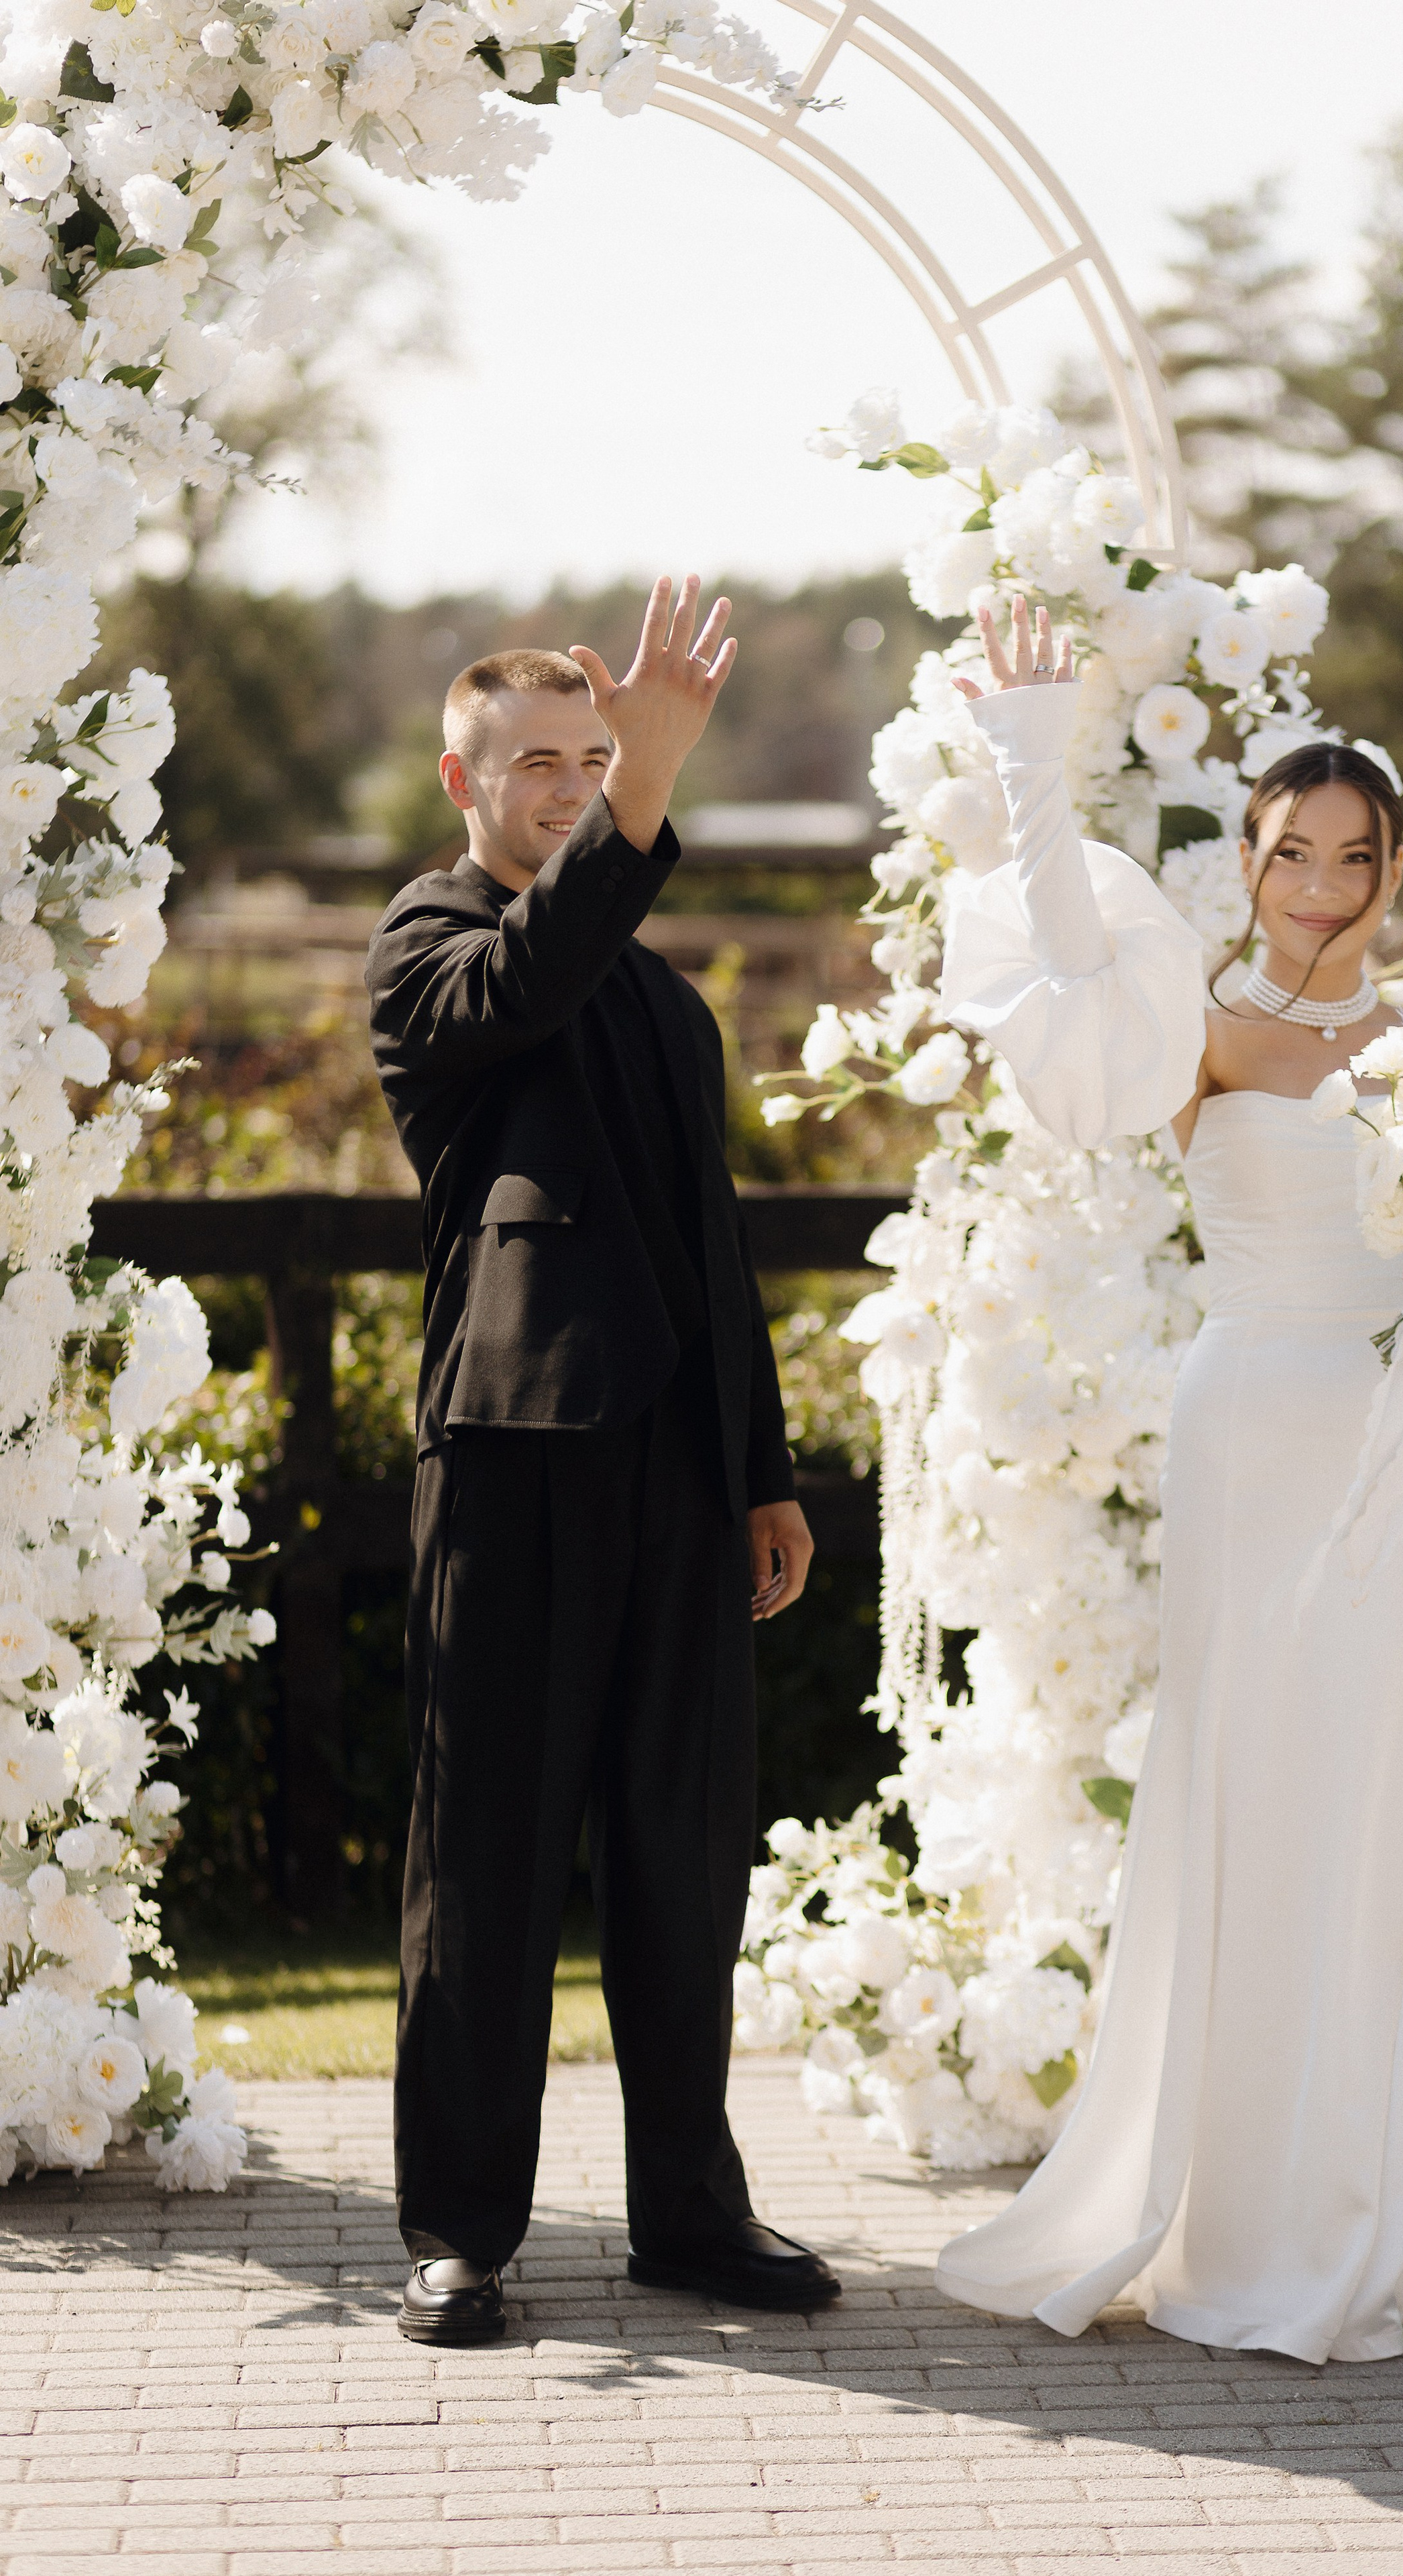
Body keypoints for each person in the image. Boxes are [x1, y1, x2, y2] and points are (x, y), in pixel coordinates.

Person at [930, 598, 1403, 2364]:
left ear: (1393, 867)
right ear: (1247, 861)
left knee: (1381, 1797)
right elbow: (1061, 949)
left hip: (1402, 1444)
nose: (1321, 885)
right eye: (1290, 853)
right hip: (1252, 1428)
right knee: (1249, 1792)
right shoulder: (1190, 1023)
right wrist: (1032, 763)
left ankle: (1356, 2208)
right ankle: (1234, 2212)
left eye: (1355, 856)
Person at [366, 578, 839, 2347]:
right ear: (463, 777)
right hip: (512, 1467)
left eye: (595, 758)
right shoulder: (429, 945)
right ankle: (460, 2234)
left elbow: (713, 1250)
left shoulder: (666, 1002)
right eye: (542, 763)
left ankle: (691, 2219)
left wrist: (763, 1469)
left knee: (682, 1857)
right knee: (485, 1859)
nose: (573, 785)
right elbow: (526, 973)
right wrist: (649, 790)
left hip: (681, 1478)